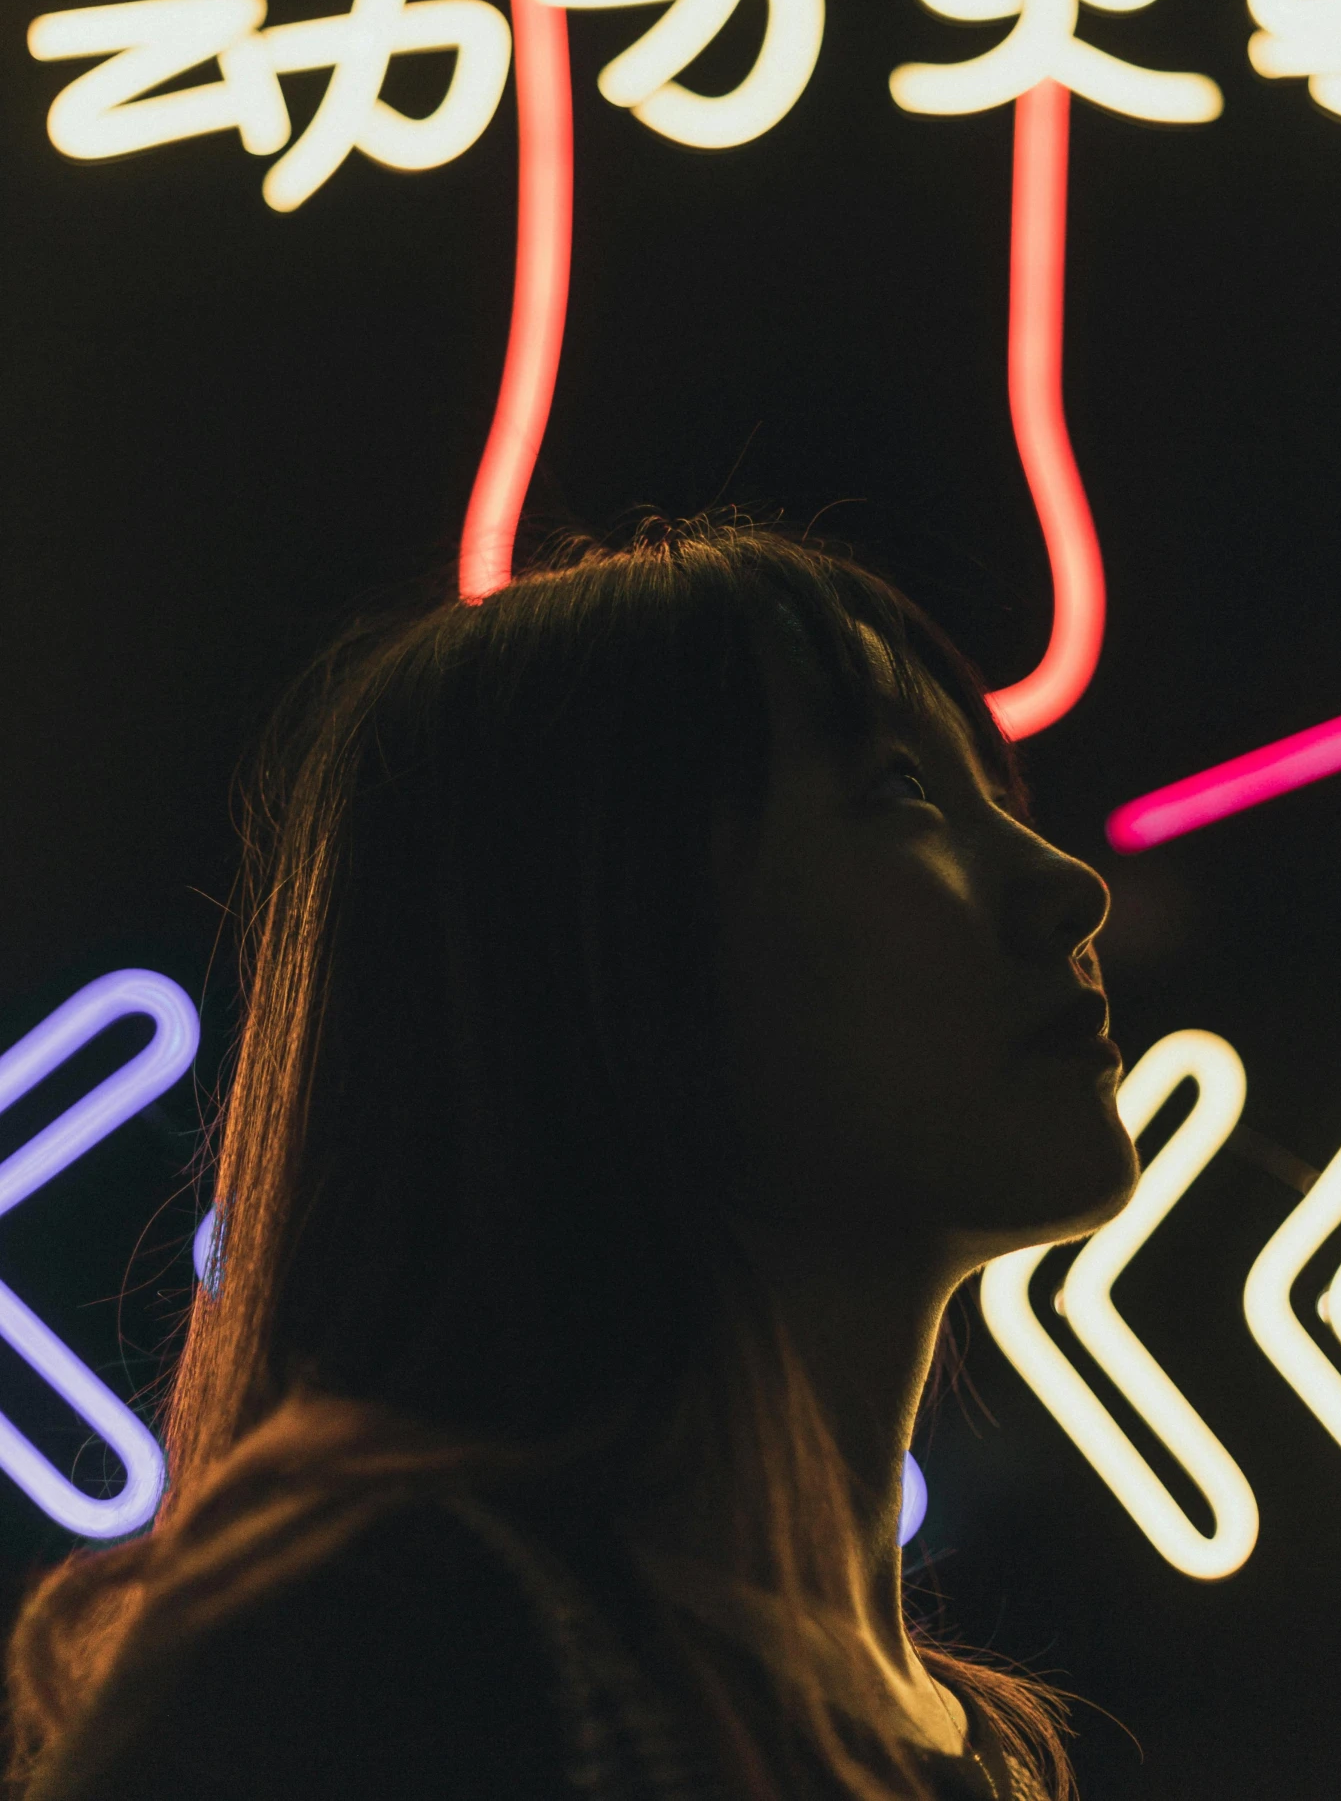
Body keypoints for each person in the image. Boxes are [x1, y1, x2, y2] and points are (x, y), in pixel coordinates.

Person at [7, 519, 1136, 1800]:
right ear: (596, 945)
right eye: (900, 791)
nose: (1067, 885)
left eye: (999, 798)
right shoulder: (385, 1670)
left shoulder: (971, 1742)